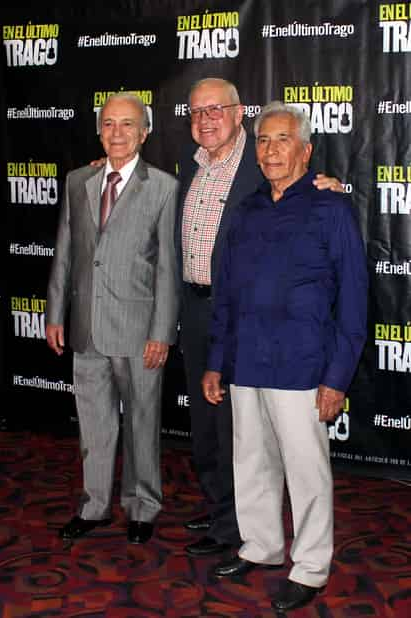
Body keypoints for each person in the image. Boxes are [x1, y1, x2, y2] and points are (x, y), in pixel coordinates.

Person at [202, 101, 367, 612]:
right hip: (245, 360)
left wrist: (337, 378)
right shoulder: (246, 210)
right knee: (250, 462)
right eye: (265, 140)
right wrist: (215, 360)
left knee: (307, 472)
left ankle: (312, 567)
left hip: (302, 365)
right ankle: (262, 545)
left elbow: (355, 300)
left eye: (283, 140)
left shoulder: (331, 208)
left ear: (306, 149)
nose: (272, 150)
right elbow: (226, 291)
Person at [175, 77, 345, 557]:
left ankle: (255, 538)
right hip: (202, 313)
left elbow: (300, 185)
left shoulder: (275, 173)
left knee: (261, 443)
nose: (205, 119)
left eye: (215, 110)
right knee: (216, 433)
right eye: (197, 112)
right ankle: (229, 517)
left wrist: (325, 183)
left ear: (237, 113)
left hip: (272, 335)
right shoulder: (192, 170)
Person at [46, 93, 179, 545]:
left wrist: (162, 331)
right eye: (108, 124)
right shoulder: (78, 180)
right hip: (85, 327)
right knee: (94, 425)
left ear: (145, 132)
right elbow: (65, 252)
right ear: (98, 130)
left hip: (139, 332)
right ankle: (94, 506)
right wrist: (55, 312)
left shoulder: (163, 186)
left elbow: (167, 268)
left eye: (128, 124)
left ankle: (143, 507)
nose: (117, 133)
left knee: (142, 423)